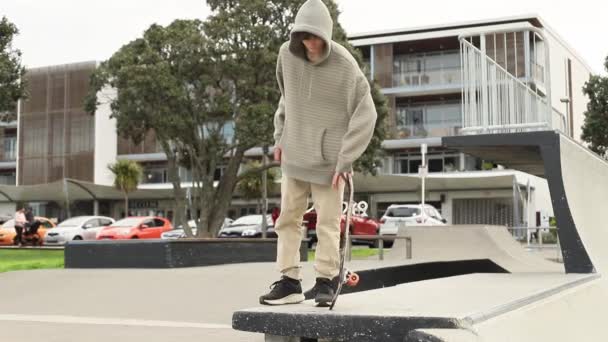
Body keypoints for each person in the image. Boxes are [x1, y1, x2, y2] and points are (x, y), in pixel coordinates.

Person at [259, 0, 377, 306]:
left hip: (330, 162)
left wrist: (346, 157)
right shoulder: (286, 55)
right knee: (287, 219)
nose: (310, 42)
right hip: (294, 153)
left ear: (326, 35)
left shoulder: (345, 65)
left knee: (328, 221)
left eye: (316, 37)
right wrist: (279, 137)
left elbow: (367, 114)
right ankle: (289, 281)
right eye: (304, 36)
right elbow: (287, 100)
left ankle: (326, 281)